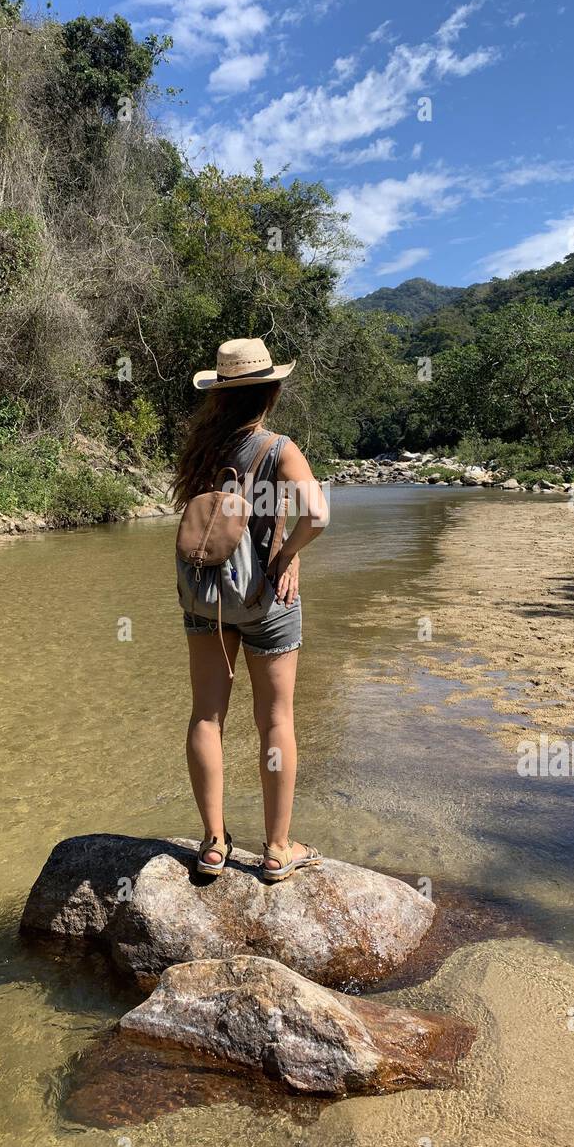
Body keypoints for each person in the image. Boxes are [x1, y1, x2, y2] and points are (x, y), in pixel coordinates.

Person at [171, 338, 329, 882]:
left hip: (206, 596)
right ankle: (277, 850)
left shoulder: (200, 449)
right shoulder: (278, 448)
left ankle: (212, 845)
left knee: (206, 716)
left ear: (218, 393)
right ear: (272, 390)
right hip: (267, 599)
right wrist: (286, 556)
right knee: (276, 721)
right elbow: (318, 516)